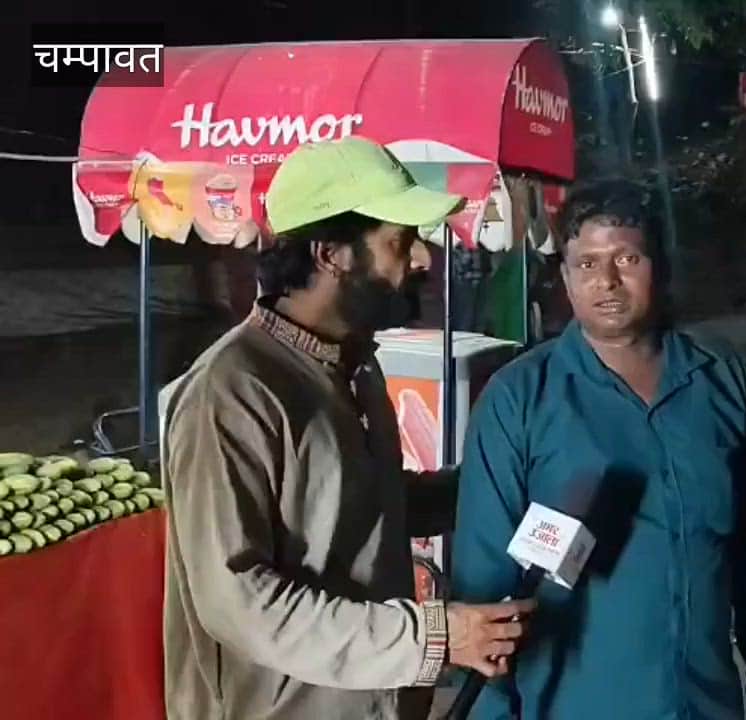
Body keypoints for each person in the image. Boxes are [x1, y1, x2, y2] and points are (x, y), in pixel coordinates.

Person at [161, 136, 534, 720]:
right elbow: (238, 600)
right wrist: (433, 637)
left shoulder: (355, 364)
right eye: (398, 242)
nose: (421, 261)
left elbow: (364, 504)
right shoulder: (231, 392)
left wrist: (495, 482)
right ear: (330, 253)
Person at [450, 179, 746, 719]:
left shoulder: (722, 383)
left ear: (659, 264)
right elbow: (484, 595)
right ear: (564, 276)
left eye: (626, 258)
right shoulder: (520, 399)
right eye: (586, 264)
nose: (606, 281)